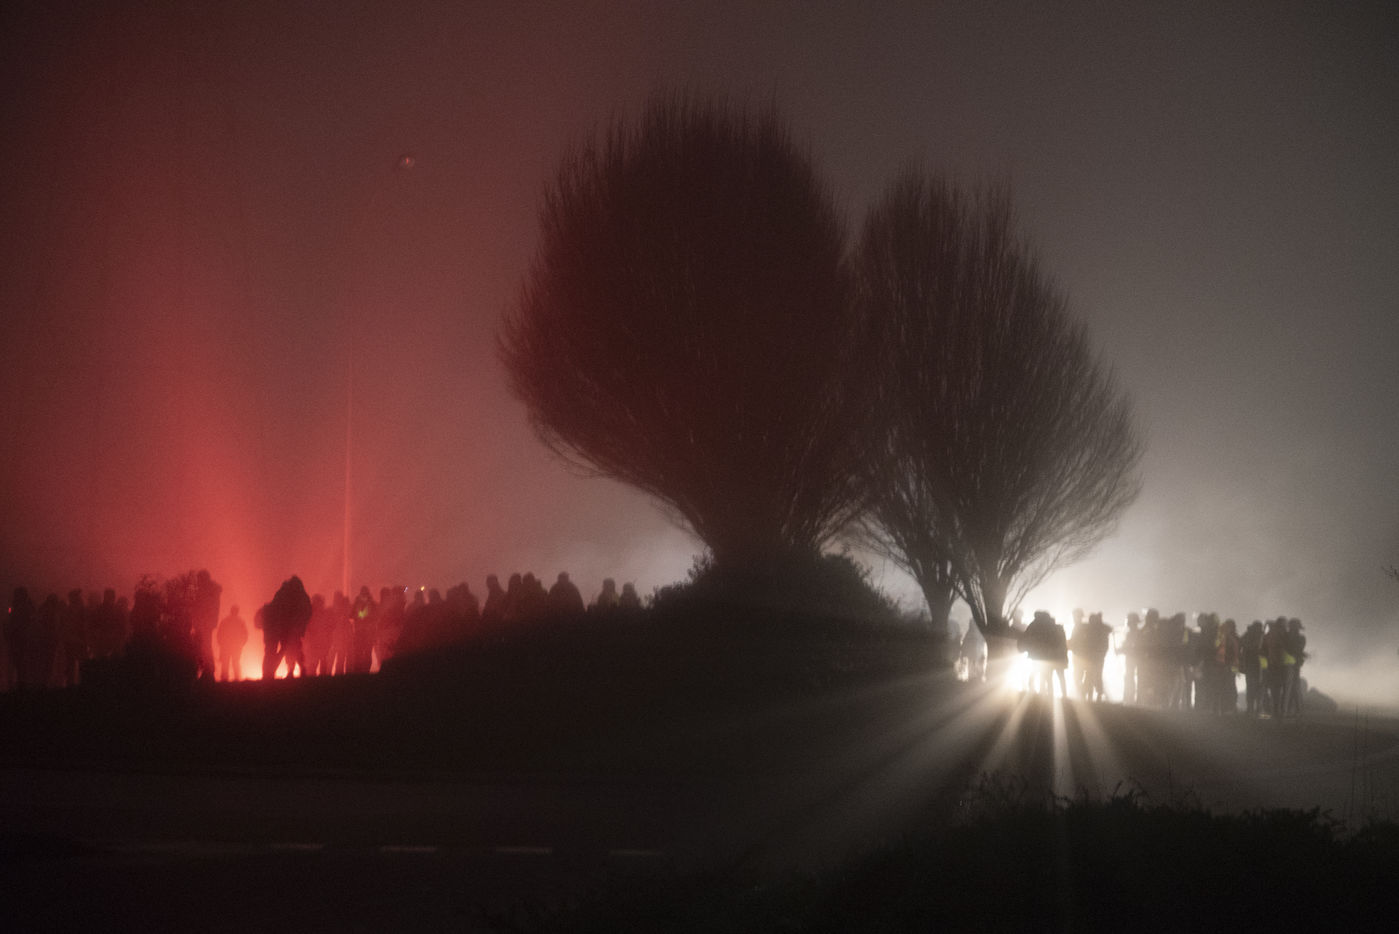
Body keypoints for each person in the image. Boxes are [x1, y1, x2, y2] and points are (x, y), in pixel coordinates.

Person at [216, 605, 249, 681]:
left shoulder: (225, 621)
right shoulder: (240, 622)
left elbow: (219, 633)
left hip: (226, 646)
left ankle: (224, 679)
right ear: (237, 611)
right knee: (235, 662)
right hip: (236, 646)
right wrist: (242, 643)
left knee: (225, 662)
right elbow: (245, 634)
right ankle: (237, 678)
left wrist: (221, 643)